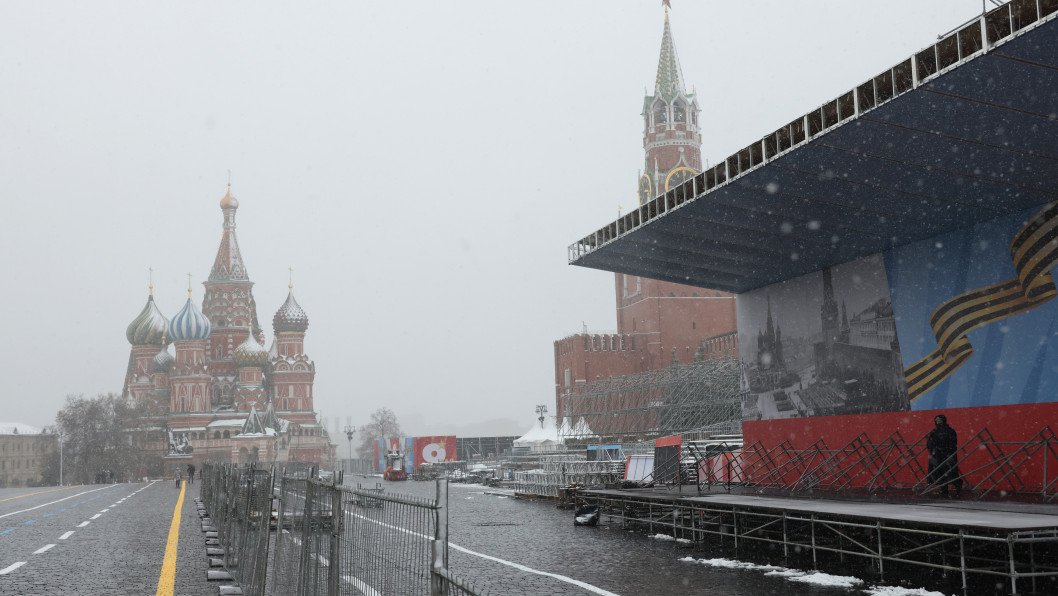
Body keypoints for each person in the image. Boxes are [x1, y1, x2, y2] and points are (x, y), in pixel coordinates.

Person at [926, 415, 961, 498]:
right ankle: (944, 490)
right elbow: (930, 443)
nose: (938, 421)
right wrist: (932, 450)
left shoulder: (949, 431)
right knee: (939, 472)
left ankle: (958, 486)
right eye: (936, 420)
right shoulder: (934, 431)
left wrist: (948, 453)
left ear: (944, 420)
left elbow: (952, 443)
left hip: (946, 454)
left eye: (940, 420)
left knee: (950, 472)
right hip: (937, 455)